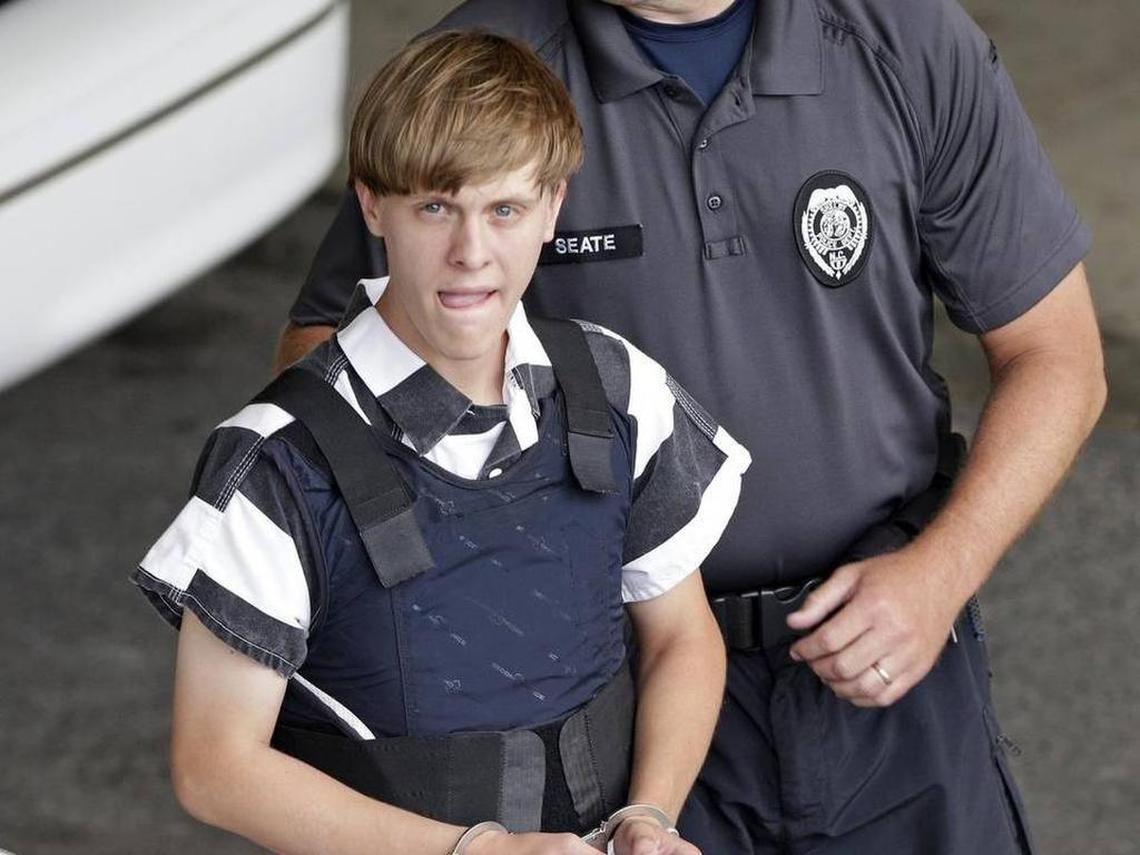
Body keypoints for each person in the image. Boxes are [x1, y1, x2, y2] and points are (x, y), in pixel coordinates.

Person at [276, 1, 1107, 853]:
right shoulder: (484, 69)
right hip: (622, 695)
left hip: (894, 654)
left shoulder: (906, 40)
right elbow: (325, 375)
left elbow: (1058, 355)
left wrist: (943, 570)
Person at [132, 31, 752, 855]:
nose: (471, 253)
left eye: (505, 209)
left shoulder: (614, 384)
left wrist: (649, 816)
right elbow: (213, 765)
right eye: (436, 207)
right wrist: (479, 851)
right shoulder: (277, 463)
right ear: (372, 205)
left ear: (553, 207)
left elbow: (681, 633)